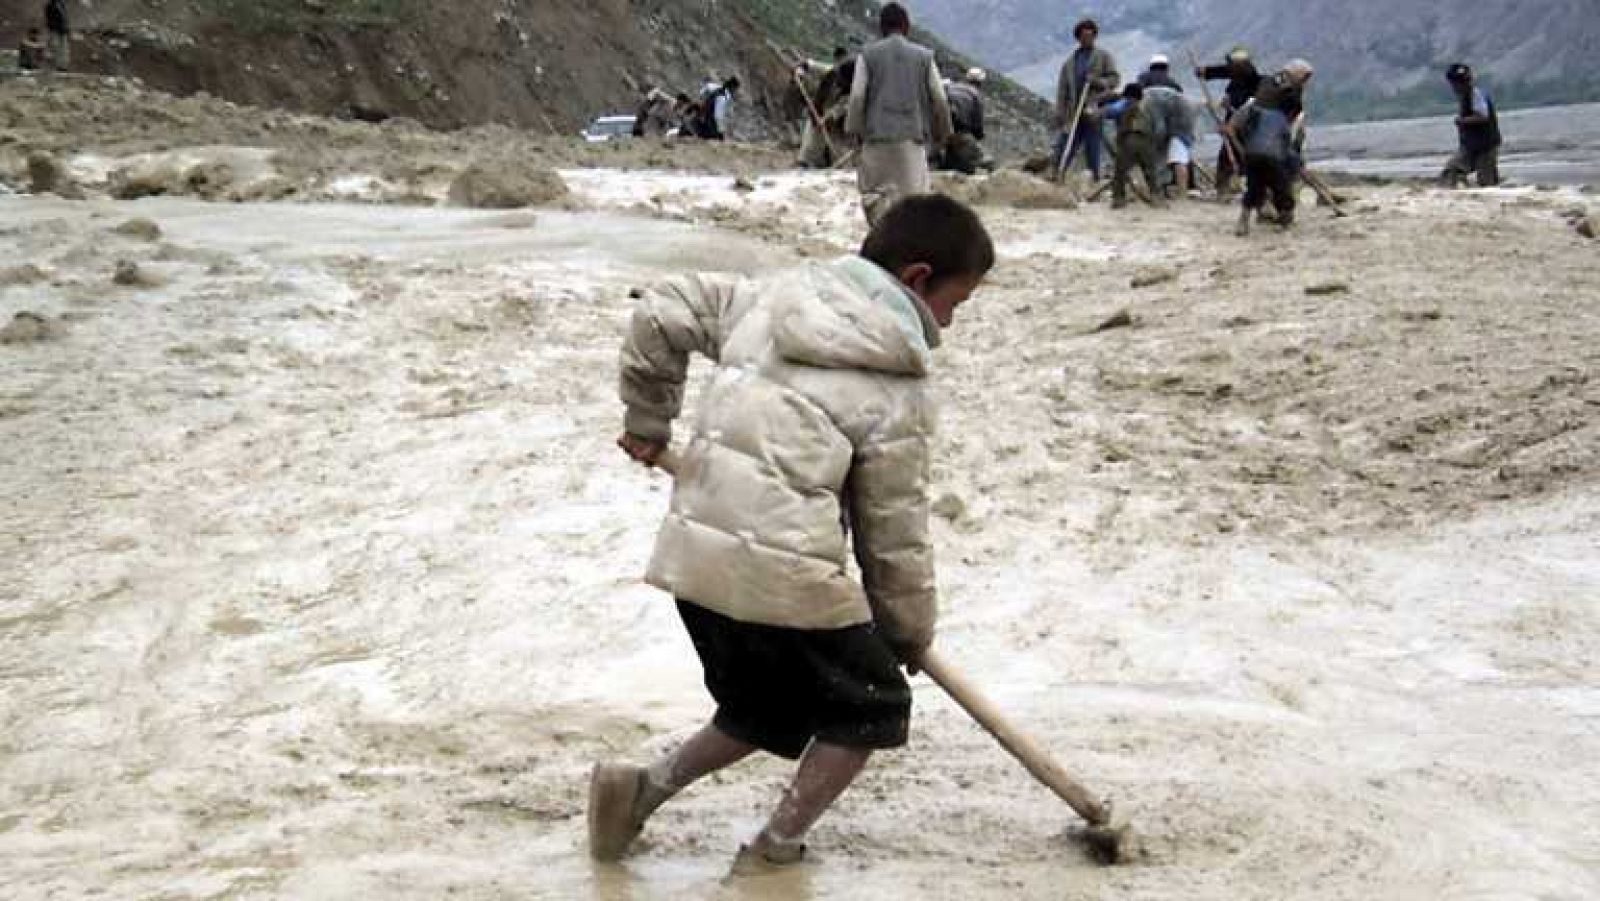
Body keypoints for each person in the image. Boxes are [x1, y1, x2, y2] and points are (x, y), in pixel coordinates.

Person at [595, 193, 995, 868]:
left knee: (766, 707)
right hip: (781, 576)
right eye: (955, 304)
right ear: (919, 278)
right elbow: (891, 531)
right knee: (872, 706)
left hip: (692, 560)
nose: (948, 326)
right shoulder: (898, 386)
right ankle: (774, 851)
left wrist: (648, 421)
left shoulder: (770, 298)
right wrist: (906, 631)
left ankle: (638, 791)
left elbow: (662, 309)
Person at [845, 3, 954, 225]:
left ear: (881, 28)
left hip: (875, 141)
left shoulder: (867, 56)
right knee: (914, 206)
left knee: (875, 200)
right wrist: (944, 133)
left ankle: (881, 249)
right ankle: (909, 254)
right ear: (906, 26)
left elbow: (856, 96)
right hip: (911, 143)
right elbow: (940, 98)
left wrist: (853, 131)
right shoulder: (924, 57)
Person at [1229, 60, 1315, 235]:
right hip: (1274, 145)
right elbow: (1292, 125)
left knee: (1255, 184)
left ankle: (1244, 219)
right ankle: (1285, 217)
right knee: (1282, 182)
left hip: (1253, 145)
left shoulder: (1265, 86)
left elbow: (1239, 123)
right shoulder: (1291, 96)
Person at [1053, 18, 1119, 181]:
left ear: (1095, 36)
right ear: (1078, 38)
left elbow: (1114, 79)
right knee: (1065, 144)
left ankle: (1093, 179)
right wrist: (1060, 112)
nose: (1087, 39)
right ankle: (1057, 174)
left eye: (1090, 35)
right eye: (1084, 36)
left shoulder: (1103, 57)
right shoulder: (1069, 64)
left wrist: (1098, 81)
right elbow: (1063, 90)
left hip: (1093, 111)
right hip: (1073, 112)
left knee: (1093, 147)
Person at [1196, 47, 1262, 193]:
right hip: (1233, 124)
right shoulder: (1236, 81)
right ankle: (1223, 189)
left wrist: (1207, 72)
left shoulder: (1252, 78)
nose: (1230, 67)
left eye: (1232, 64)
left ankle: (1245, 186)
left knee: (1242, 156)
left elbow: (1226, 71)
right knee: (1227, 156)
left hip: (1246, 126)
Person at [1440, 63, 1502, 188]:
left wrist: (1462, 121)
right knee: (1451, 170)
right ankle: (1456, 191)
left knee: (1487, 182)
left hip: (1486, 146)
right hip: (1470, 146)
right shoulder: (1465, 96)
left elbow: (1483, 116)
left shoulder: (1476, 95)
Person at [1102, 83, 1163, 209]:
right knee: (1150, 171)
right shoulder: (1150, 107)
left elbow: (1109, 112)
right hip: (1147, 140)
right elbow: (1158, 127)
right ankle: (1156, 197)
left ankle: (1118, 199)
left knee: (1120, 170)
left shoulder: (1125, 106)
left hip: (1129, 139)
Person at [1144, 81, 1195, 199]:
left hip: (1180, 116)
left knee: (1176, 157)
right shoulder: (1148, 96)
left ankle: (1180, 195)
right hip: (1184, 111)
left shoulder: (1144, 102)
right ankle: (1180, 194)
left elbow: (1159, 128)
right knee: (1177, 155)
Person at [939, 68, 989, 175]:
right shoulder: (975, 94)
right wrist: (978, 136)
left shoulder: (952, 86)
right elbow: (977, 123)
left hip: (940, 127)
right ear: (980, 82)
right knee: (971, 162)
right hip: (960, 129)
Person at [693, 76, 740, 141]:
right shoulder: (725, 96)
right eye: (735, 89)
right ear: (732, 87)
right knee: (717, 139)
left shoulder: (718, 89)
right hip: (711, 120)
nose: (735, 91)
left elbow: (706, 88)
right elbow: (718, 115)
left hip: (706, 117)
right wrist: (721, 130)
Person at [44, 0, 68, 70]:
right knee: (55, 46)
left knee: (63, 48)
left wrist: (66, 27)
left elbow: (65, 17)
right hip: (55, 29)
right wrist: (52, 27)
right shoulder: (49, 6)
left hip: (62, 30)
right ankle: (55, 64)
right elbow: (49, 18)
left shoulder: (62, 4)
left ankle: (62, 65)